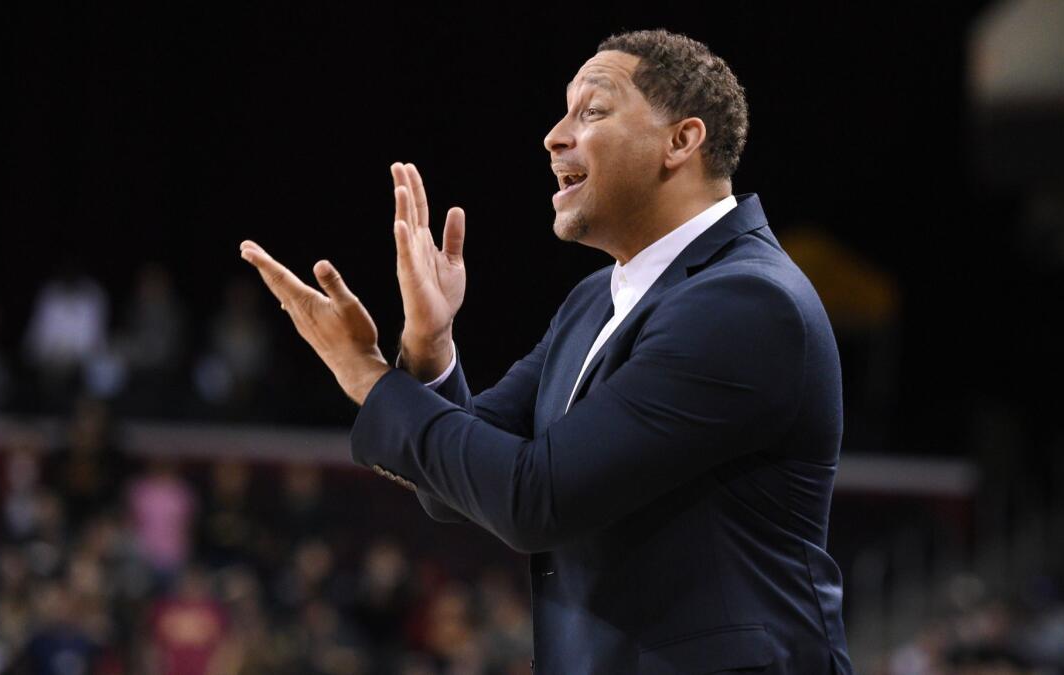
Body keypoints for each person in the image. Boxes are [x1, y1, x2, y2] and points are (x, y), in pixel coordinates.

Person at [240, 28, 853, 674]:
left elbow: (536, 499)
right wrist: (428, 345)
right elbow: (451, 488)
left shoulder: (747, 305)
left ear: (681, 141)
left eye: (591, 111)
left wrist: (365, 375)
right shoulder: (595, 300)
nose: (554, 135)